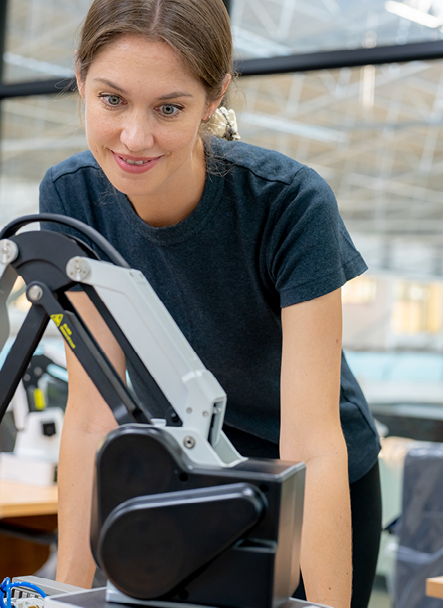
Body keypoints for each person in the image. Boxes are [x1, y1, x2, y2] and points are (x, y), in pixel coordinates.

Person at [38, 2, 382, 607]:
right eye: (112, 99)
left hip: (309, 475)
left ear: (215, 96)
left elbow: (310, 442)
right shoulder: (71, 197)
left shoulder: (288, 203)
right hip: (183, 476)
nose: (135, 138)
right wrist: (67, 595)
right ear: (81, 77)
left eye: (169, 108)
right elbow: (93, 415)